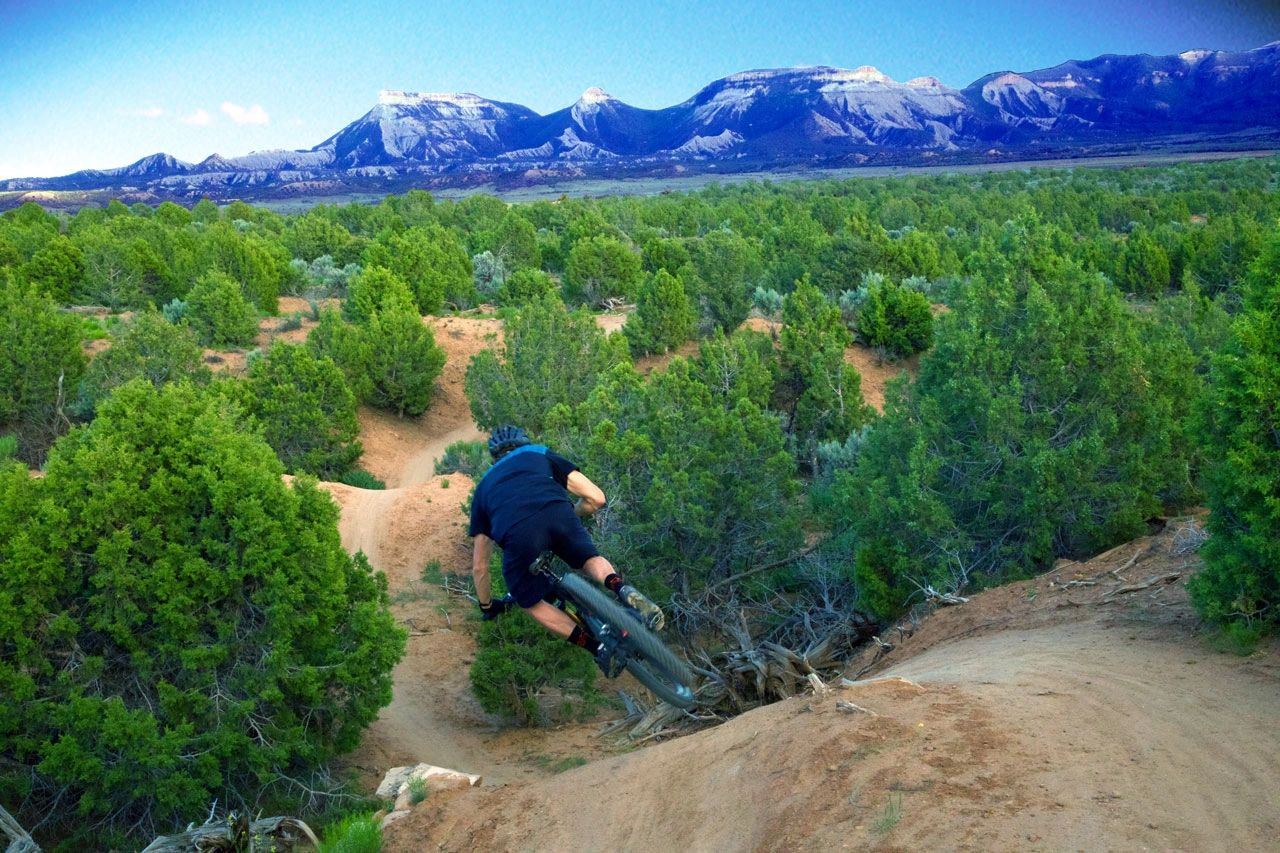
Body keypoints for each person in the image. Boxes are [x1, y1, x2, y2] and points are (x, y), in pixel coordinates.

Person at [468, 425, 665, 674]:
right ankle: (625, 591)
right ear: (523, 442)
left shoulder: (483, 489)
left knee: (529, 601)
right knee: (589, 559)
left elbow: (479, 566)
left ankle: (597, 649)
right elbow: (596, 498)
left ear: (494, 457)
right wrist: (568, 518)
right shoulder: (539, 453)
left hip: (520, 536)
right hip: (558, 513)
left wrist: (487, 606)